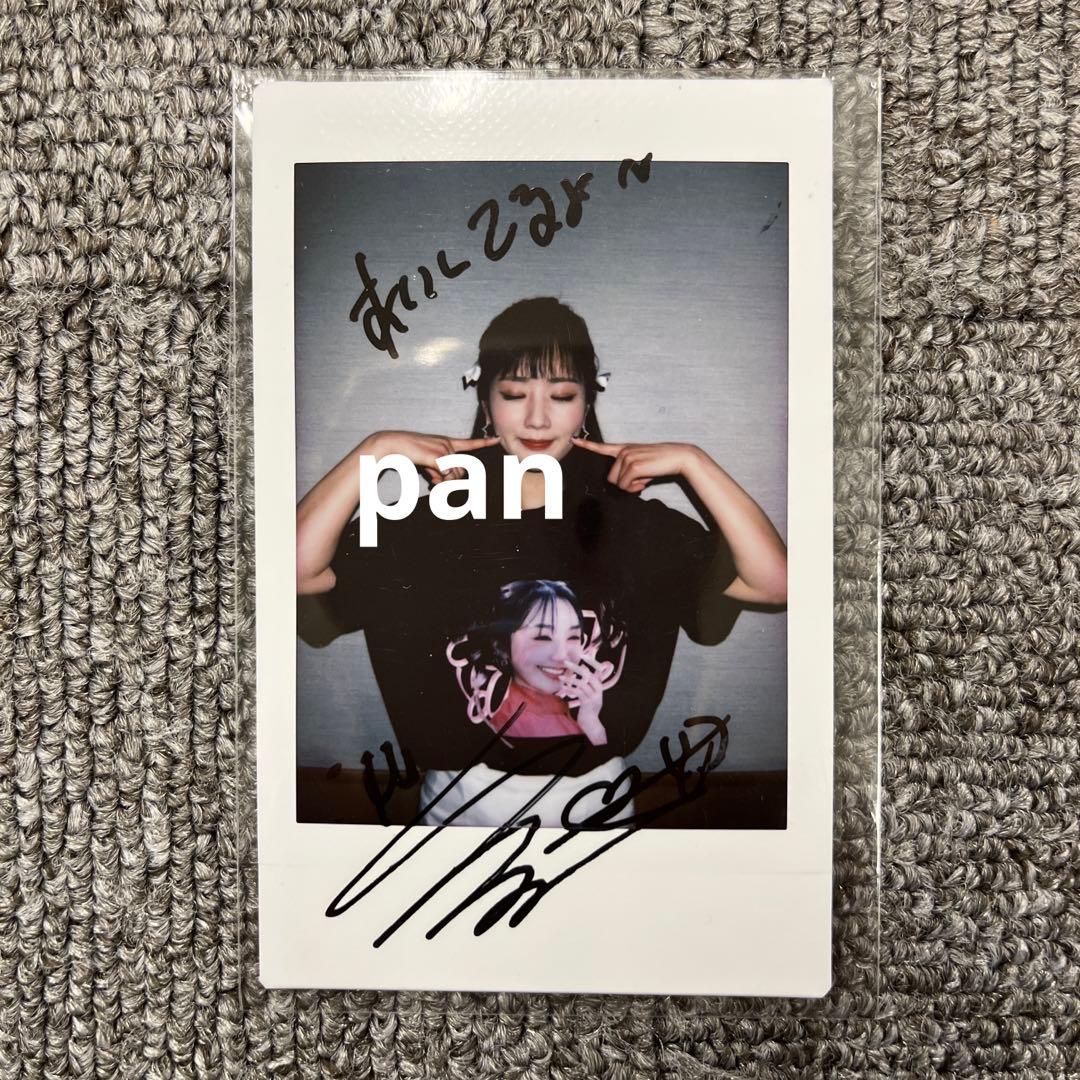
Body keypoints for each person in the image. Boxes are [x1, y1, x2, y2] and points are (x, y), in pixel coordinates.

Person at [296, 296, 787, 827]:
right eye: (513, 394)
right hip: (459, 807)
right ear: (486, 400)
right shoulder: (430, 520)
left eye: (562, 395)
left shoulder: (632, 522)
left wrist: (695, 462)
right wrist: (374, 449)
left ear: (586, 405)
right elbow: (293, 573)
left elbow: (775, 583)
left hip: (597, 802)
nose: (536, 417)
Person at [447, 578, 626, 747]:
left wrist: (590, 718)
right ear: (502, 645)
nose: (561, 655)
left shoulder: (550, 708)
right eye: (542, 637)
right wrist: (593, 728)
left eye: (572, 637)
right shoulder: (530, 721)